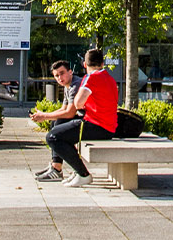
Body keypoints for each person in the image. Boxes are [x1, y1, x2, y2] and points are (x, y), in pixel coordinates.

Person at [33, 48, 117, 187]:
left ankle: (82, 174)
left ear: (84, 64)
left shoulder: (91, 78)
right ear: (102, 63)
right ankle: (63, 169)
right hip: (108, 126)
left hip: (96, 125)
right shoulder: (110, 78)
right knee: (59, 127)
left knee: (52, 137)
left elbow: (78, 103)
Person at [31, 60, 86, 182]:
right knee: (55, 122)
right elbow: (63, 109)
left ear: (70, 72)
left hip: (89, 121)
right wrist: (45, 115)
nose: (60, 78)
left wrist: (44, 116)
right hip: (82, 119)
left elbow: (70, 113)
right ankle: (56, 167)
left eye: (62, 73)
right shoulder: (68, 85)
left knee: (58, 125)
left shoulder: (75, 85)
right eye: (56, 75)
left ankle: (57, 168)